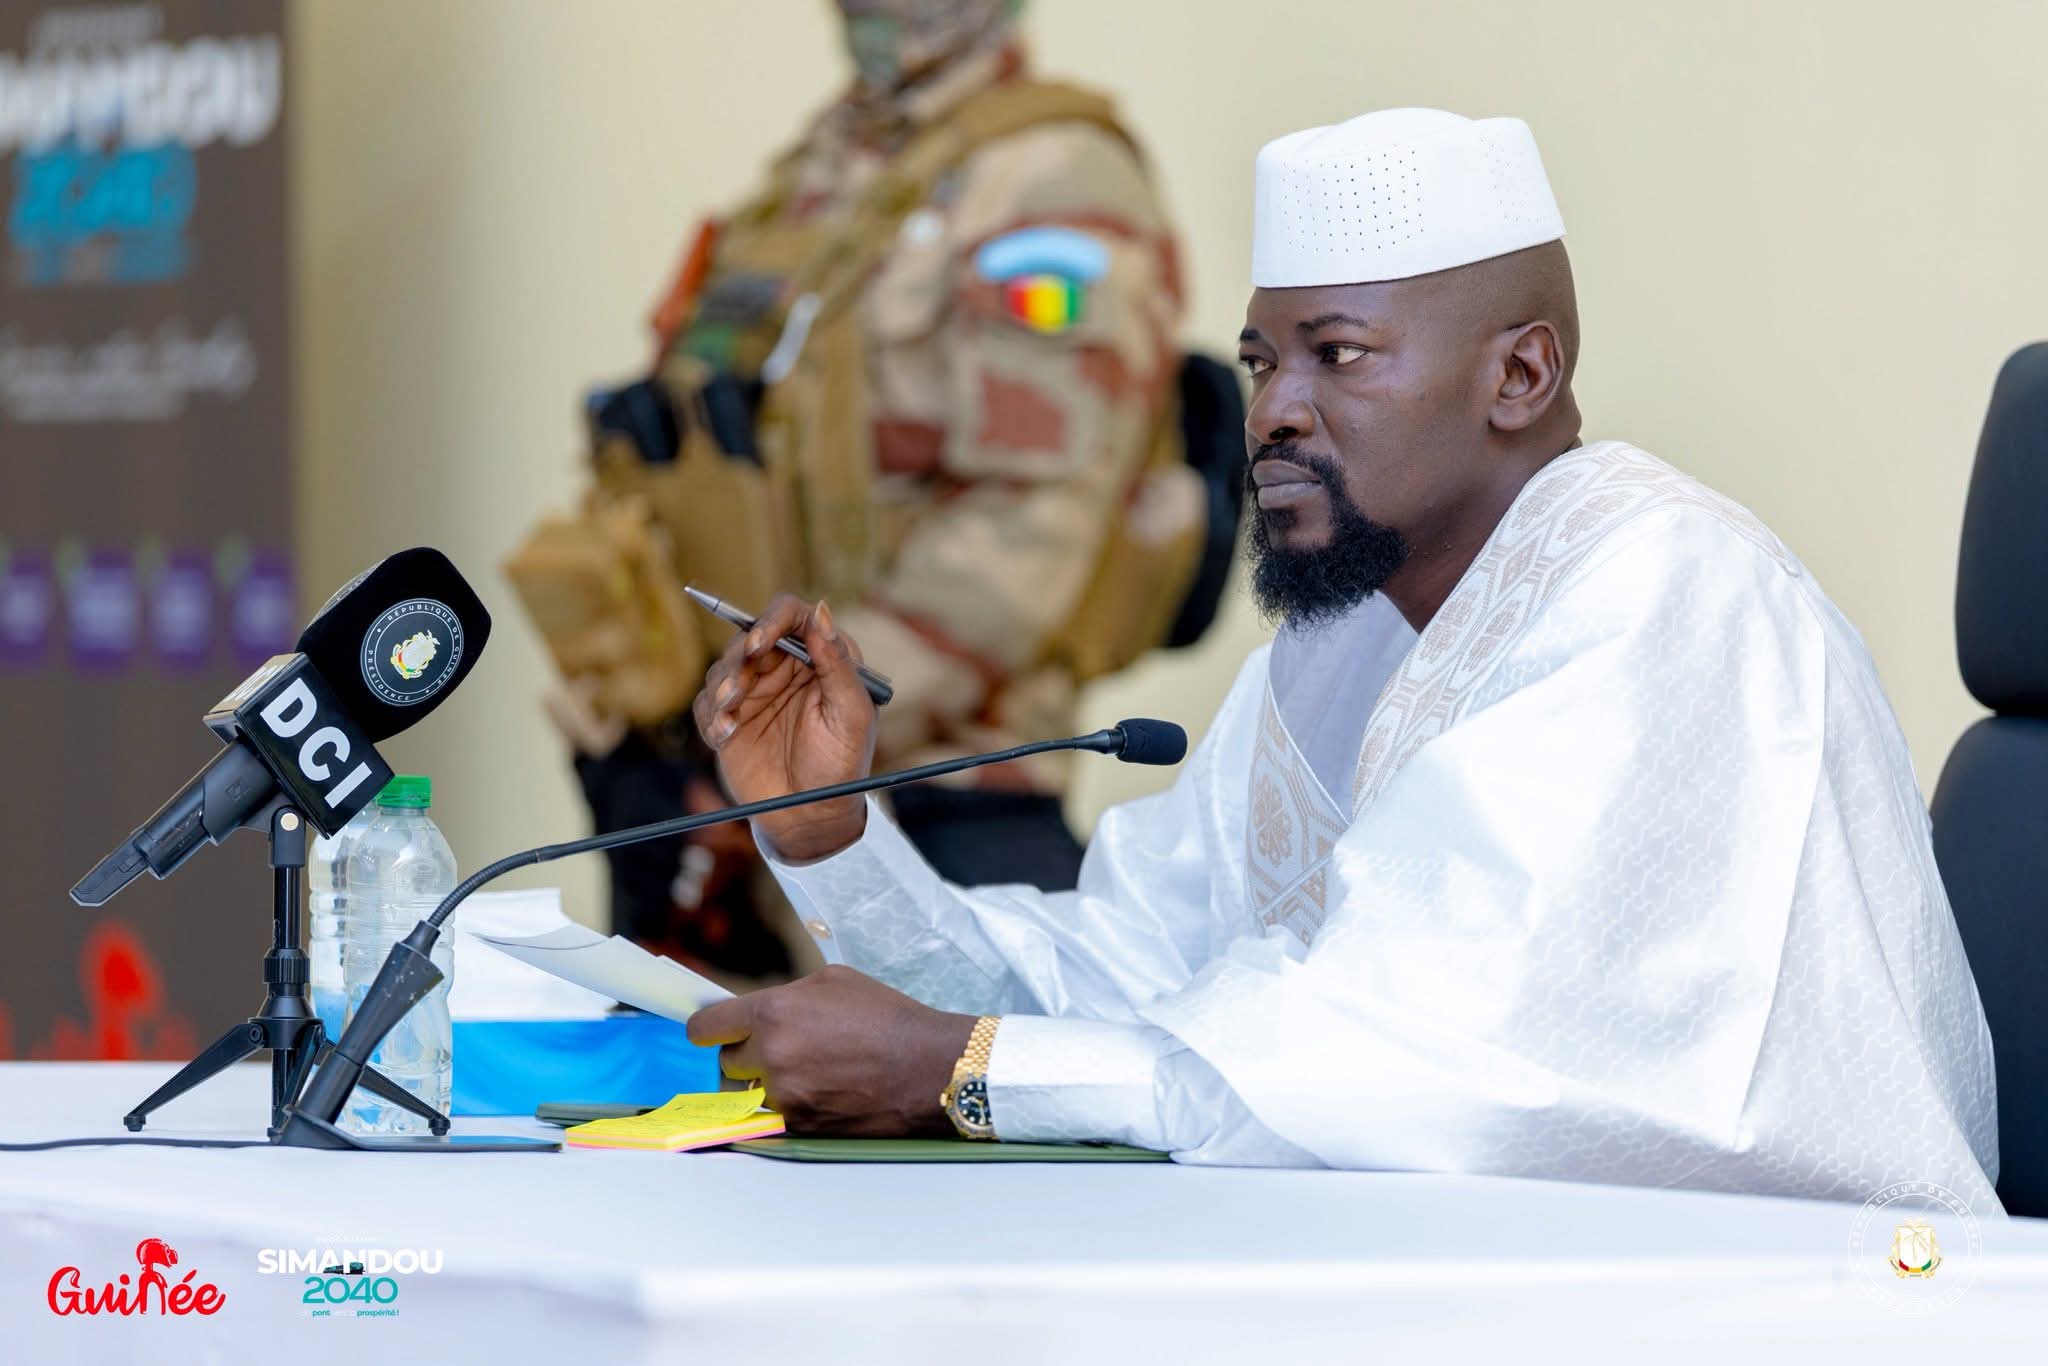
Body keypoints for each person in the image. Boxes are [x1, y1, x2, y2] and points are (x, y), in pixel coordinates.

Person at [682, 108, 2000, 1207]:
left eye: (1338, 355)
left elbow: (1394, 1062)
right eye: (1261, 361)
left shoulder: (1661, 591)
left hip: (1783, 1297)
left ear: (1520, 375)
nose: (1272, 411)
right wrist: (827, 833)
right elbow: (1126, 984)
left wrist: (958, 1069)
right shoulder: (1342, 638)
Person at [517, 0, 1191, 983]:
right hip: (729, 802)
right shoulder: (826, 168)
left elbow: (1032, 529)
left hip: (937, 803)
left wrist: (795, 728)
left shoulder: (1054, 178)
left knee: (944, 1077)